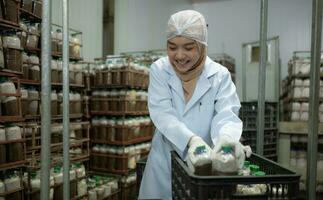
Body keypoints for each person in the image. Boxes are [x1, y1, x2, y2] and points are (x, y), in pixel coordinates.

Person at [138, 10, 249, 200]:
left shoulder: (219, 75)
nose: (179, 55)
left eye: (188, 47)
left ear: (202, 46)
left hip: (204, 166)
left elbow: (226, 113)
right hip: (165, 164)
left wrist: (226, 139)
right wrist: (191, 140)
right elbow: (162, 114)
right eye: (172, 47)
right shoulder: (160, 70)